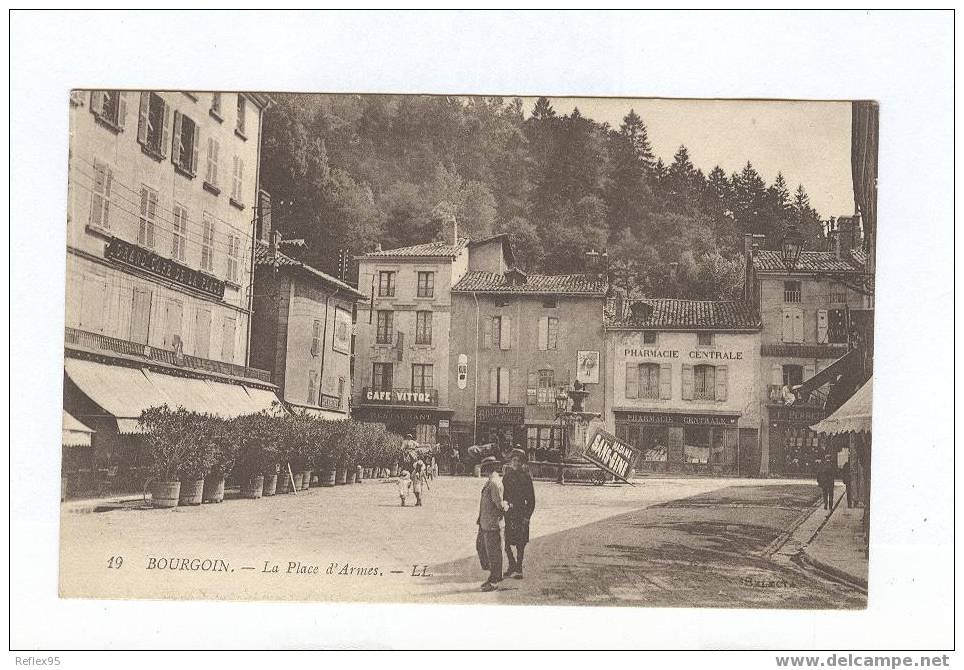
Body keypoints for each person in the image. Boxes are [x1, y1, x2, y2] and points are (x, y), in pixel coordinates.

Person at [476, 456, 508, 592]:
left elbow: (499, 504)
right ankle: (493, 575)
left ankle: (495, 580)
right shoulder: (490, 481)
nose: (485, 469)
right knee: (482, 548)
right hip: (485, 522)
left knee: (493, 552)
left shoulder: (494, 483)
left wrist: (507, 506)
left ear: (491, 468)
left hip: (492, 524)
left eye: (486, 466)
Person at [503, 447, 535, 579]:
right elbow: (503, 495)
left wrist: (527, 516)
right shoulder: (507, 476)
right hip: (509, 513)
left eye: (517, 460)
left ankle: (519, 568)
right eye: (513, 460)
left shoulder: (526, 477)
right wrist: (503, 506)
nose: (515, 463)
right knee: (507, 542)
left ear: (521, 462)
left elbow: (531, 500)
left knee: (520, 544)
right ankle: (512, 565)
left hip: (521, 513)